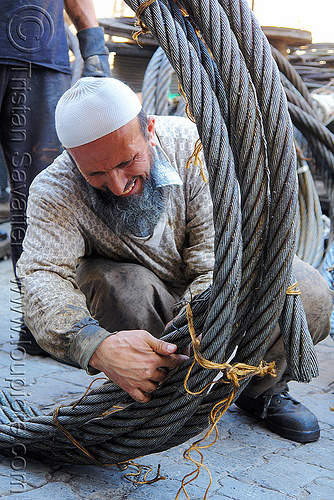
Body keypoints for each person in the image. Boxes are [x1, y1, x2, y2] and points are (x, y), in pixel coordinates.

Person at [17, 77, 333, 444]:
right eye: (97, 174)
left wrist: (203, 338)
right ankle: (153, 387)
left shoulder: (192, 146)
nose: (118, 185)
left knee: (307, 289)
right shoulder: (54, 190)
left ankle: (259, 389)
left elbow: (216, 264)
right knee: (115, 284)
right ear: (72, 158)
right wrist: (94, 345)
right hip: (143, 305)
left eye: (127, 161)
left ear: (149, 130)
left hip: (219, 288)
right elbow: (42, 275)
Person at [0, 0, 111, 352]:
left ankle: (39, 322)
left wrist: (92, 40)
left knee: (41, 195)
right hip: (40, 57)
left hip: (40, 57)